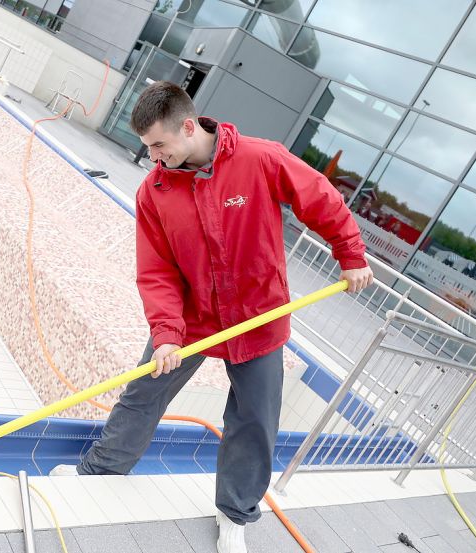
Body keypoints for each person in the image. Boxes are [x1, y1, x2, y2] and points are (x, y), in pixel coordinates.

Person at [50, 81, 373, 553]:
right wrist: (165, 333)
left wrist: (350, 252)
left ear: (187, 126)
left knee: (255, 419)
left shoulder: (260, 159)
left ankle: (234, 515)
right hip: (192, 320)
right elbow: (156, 269)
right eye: (147, 148)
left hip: (258, 316)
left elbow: (320, 198)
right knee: (143, 395)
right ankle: (98, 472)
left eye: (160, 145)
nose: (154, 157)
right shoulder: (154, 190)